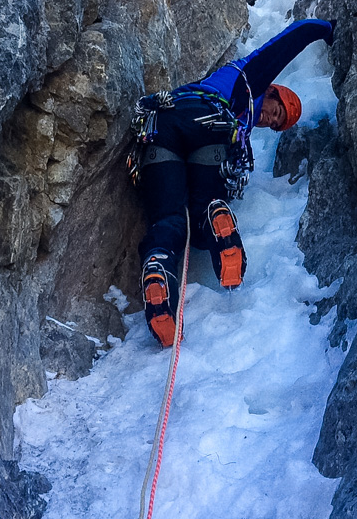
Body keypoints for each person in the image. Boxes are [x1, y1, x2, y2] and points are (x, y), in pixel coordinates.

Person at [129, 18, 334, 346]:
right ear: (271, 92)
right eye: (275, 111)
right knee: (205, 202)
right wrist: (325, 29)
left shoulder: (230, 101)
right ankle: (215, 213)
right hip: (210, 125)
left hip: (161, 127)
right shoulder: (247, 81)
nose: (269, 120)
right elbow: (282, 46)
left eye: (275, 124)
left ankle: (157, 273)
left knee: (169, 220)